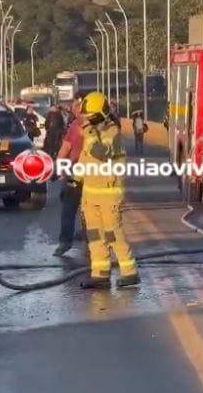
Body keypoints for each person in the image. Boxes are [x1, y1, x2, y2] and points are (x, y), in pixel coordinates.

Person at [75, 92, 139, 289]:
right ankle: (100, 273)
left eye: (89, 116)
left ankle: (130, 272)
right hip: (90, 195)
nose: (85, 120)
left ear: (98, 116)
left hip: (109, 194)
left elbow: (100, 153)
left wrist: (90, 134)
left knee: (112, 234)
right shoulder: (91, 134)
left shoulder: (112, 132)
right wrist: (74, 179)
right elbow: (85, 159)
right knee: (95, 235)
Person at [53, 99, 86, 256]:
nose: (73, 110)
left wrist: (59, 168)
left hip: (76, 171)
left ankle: (65, 242)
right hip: (96, 173)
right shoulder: (102, 124)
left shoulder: (76, 125)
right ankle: (90, 236)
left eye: (75, 108)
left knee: (68, 207)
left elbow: (65, 148)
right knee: (91, 208)